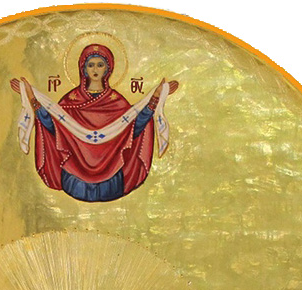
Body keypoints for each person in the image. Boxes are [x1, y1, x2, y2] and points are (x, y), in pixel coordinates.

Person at [12, 44, 178, 201]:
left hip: (111, 182)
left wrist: (155, 98)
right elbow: (54, 128)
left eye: (100, 65)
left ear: (108, 68)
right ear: (83, 68)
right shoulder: (70, 102)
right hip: (75, 181)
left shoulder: (117, 103)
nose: (95, 69)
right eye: (91, 65)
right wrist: (32, 99)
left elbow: (133, 129)